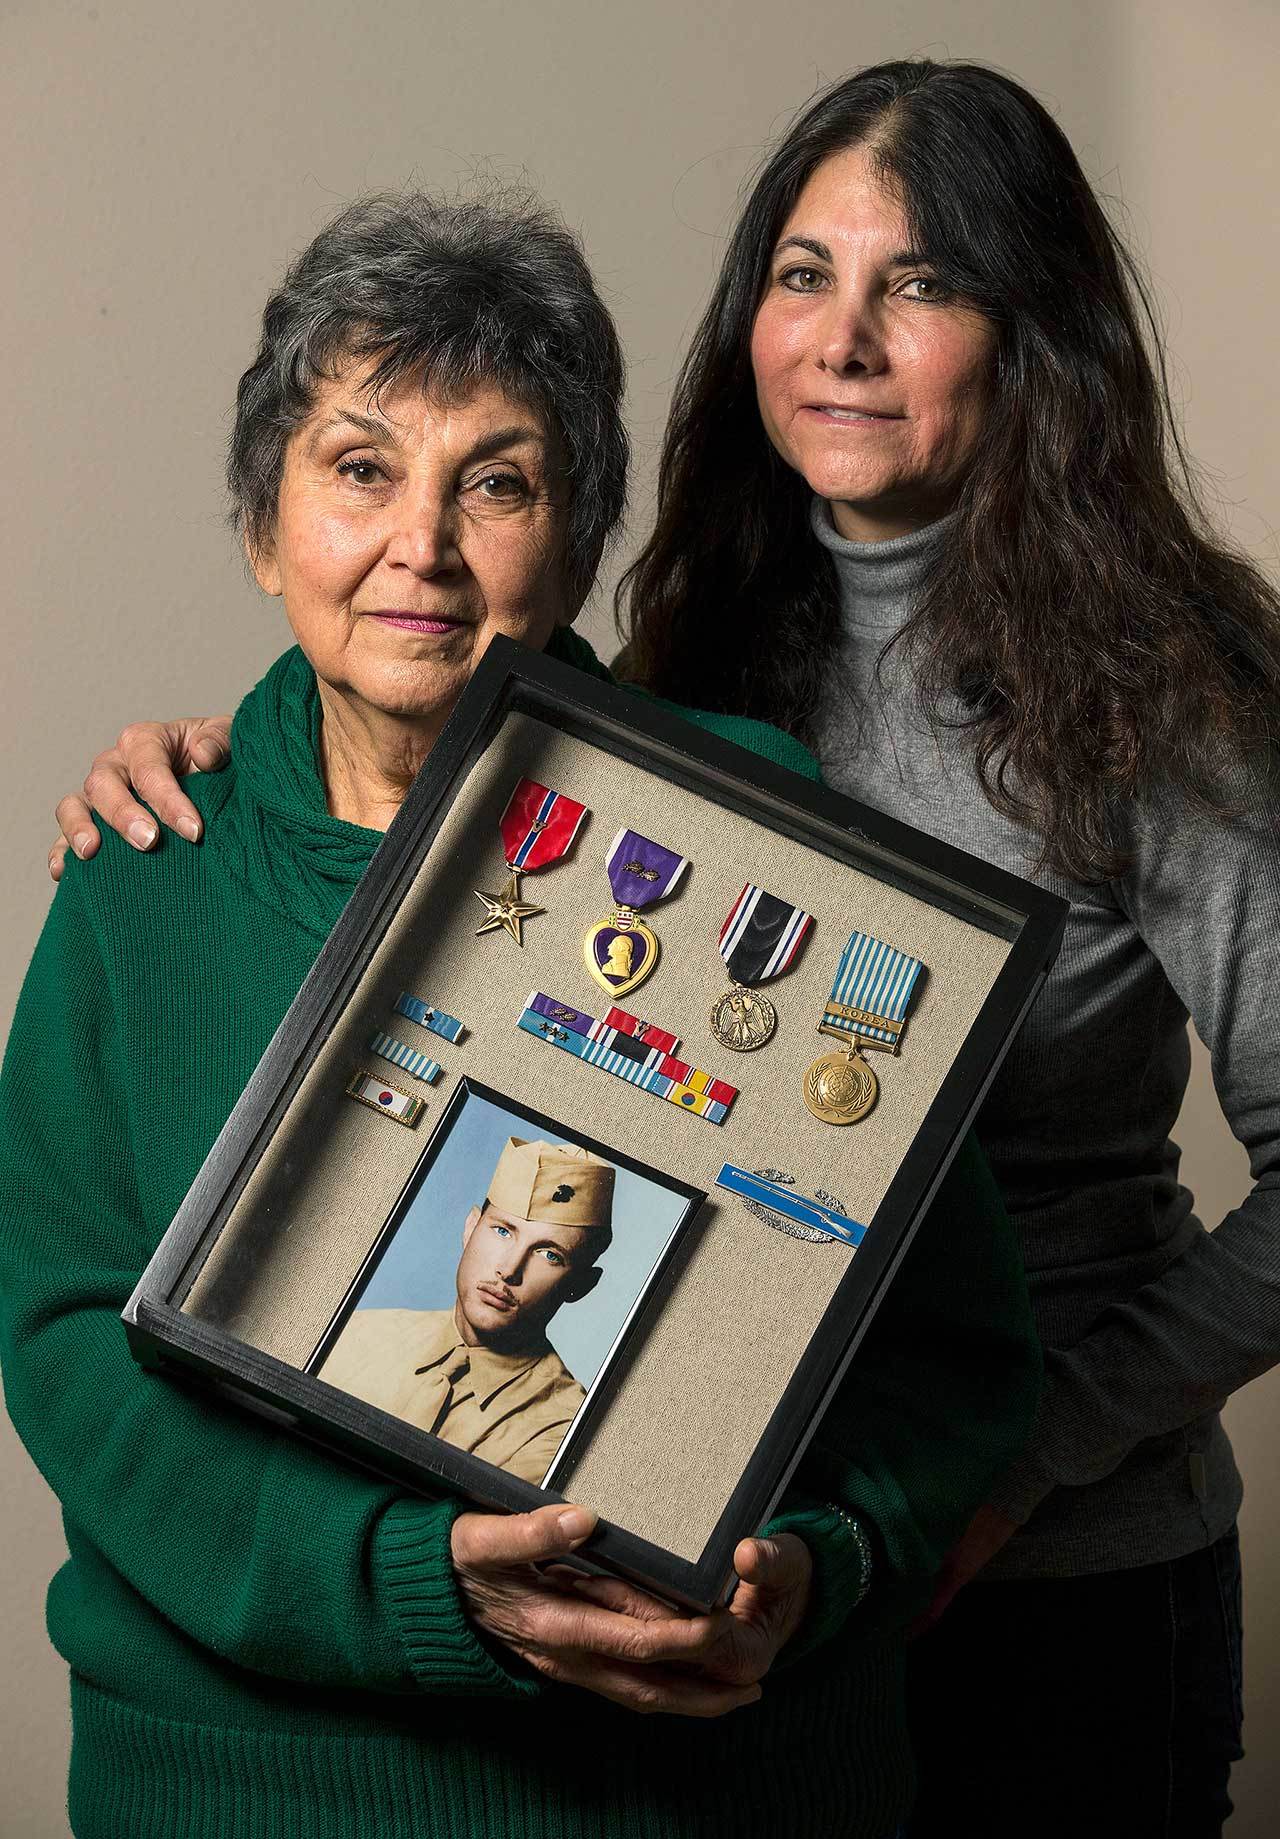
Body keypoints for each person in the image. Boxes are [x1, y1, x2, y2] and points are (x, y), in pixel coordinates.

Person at [68, 58, 1280, 1837]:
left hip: (1041, 1562)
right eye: (804, 274)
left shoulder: (1159, 701)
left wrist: (1014, 1470)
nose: (845, 338)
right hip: (733, 1569)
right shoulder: (700, 658)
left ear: (1036, 336)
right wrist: (195, 764)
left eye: (922, 282)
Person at [321, 1136, 614, 1482]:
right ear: (470, 1228)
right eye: (503, 1231)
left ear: (581, 1285)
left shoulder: (562, 1431)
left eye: (550, 1255)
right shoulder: (356, 1332)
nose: (509, 1269)